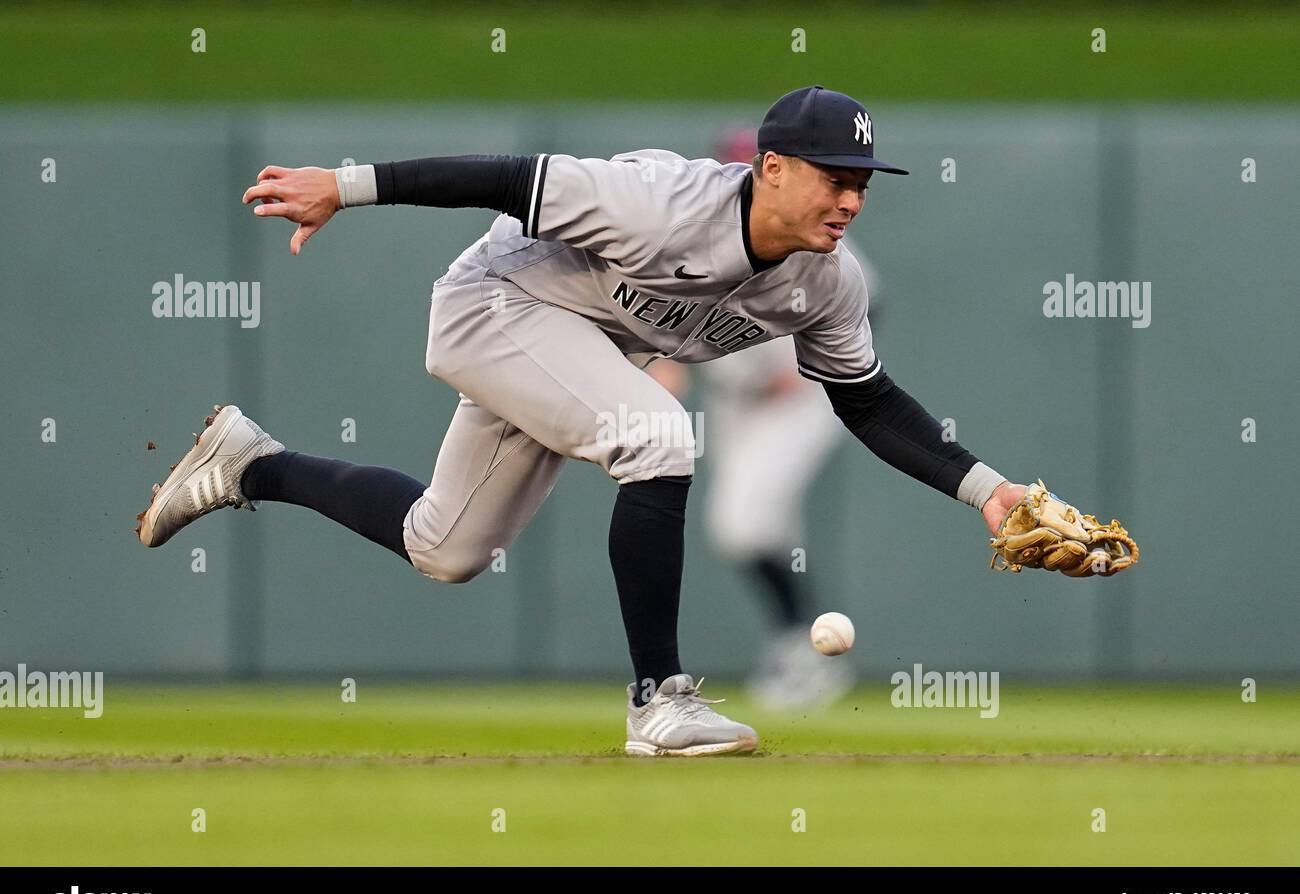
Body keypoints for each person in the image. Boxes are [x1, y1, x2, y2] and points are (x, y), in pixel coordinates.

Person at [136, 86, 1028, 756]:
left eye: (864, 184)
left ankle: (250, 463)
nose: (851, 200)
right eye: (835, 178)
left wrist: (989, 493)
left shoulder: (826, 283)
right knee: (659, 435)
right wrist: (345, 184)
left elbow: (868, 401)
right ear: (774, 167)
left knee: (445, 548)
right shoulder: (660, 200)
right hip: (497, 305)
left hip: (580, 347)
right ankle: (659, 700)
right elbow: (505, 177)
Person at [649, 127, 887, 711]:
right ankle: (804, 650)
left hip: (800, 400)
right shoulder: (700, 232)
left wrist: (810, 362)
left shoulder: (818, 237)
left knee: (742, 525)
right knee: (760, 531)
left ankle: (804, 654)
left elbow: (869, 302)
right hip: (736, 401)